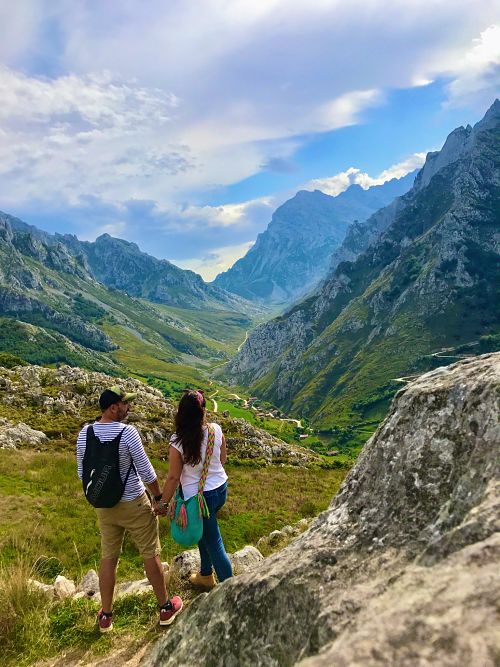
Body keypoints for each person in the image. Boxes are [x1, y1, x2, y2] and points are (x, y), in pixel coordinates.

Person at [76, 385, 182, 632]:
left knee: (108, 558)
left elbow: (82, 473)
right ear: (113, 408)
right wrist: (157, 497)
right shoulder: (127, 433)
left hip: (104, 506)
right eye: (125, 404)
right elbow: (146, 472)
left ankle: (106, 616)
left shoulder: (85, 433)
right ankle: (165, 608)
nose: (129, 407)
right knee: (150, 553)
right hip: (134, 503)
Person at [160, 390, 233, 589]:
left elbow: (174, 477)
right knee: (205, 534)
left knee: (215, 543)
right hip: (220, 489)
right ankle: (205, 575)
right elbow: (223, 459)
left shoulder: (178, 441)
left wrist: (163, 503)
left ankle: (232, 590)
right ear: (202, 412)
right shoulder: (215, 430)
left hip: (199, 500)